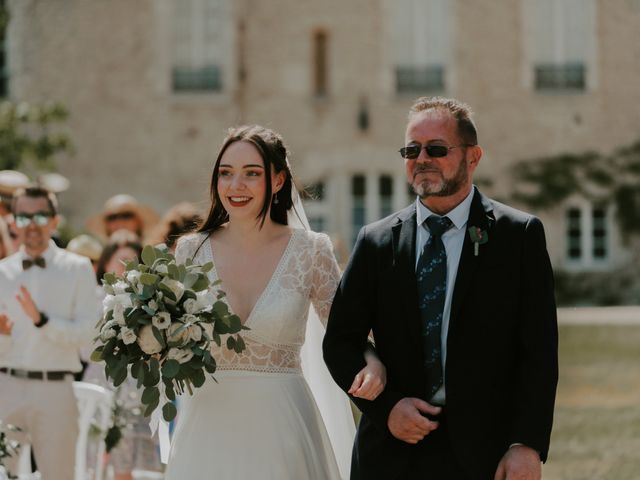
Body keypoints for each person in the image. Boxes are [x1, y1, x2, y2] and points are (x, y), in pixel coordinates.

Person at [323, 97, 558, 480]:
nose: (422, 158)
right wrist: (387, 408)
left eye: (436, 149)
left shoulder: (518, 237)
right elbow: (340, 341)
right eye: (411, 149)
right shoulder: (376, 241)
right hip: (390, 452)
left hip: (485, 454)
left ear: (473, 156)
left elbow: (539, 354)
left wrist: (526, 445)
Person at [165, 125, 385, 480]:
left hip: (282, 425)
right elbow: (170, 336)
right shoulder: (190, 250)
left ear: (278, 180)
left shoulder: (311, 250)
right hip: (206, 425)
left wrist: (373, 361)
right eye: (226, 173)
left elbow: (348, 330)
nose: (236, 186)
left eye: (251, 174)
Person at [0, 186, 98, 480]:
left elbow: (88, 335)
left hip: (56, 389)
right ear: (13, 221)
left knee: (58, 476)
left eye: (40, 216)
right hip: (6, 386)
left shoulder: (78, 269)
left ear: (55, 221)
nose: (32, 224)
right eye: (24, 216)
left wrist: (43, 321)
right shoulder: (2, 273)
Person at [84, 230, 163, 480]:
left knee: (128, 463)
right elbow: (84, 349)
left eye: (131, 261)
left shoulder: (148, 303)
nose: (124, 268)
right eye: (119, 261)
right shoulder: (93, 298)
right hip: (99, 383)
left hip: (135, 389)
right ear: (106, 263)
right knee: (94, 460)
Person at [87, 193, 159, 241]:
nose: (119, 222)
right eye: (112, 217)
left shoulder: (153, 253)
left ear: (138, 221)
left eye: (126, 215)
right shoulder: (97, 257)